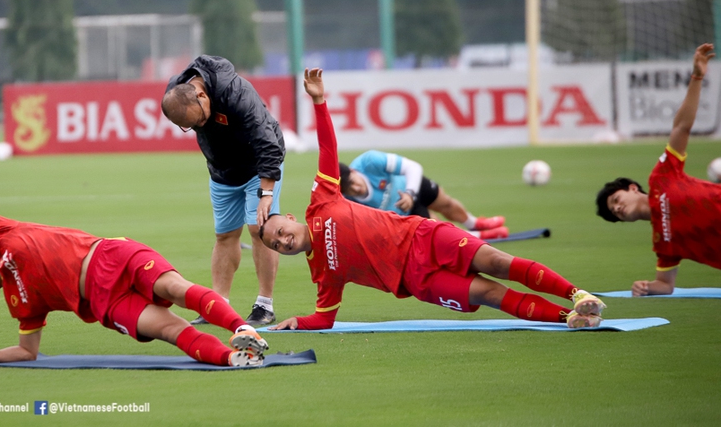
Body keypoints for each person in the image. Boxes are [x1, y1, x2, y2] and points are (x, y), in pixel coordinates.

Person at [259, 68, 607, 331]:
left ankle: (577, 294)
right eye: (276, 244)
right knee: (488, 295)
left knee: (497, 262)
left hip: (424, 236)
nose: (282, 240)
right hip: (417, 280)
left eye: (279, 230)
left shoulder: (320, 201)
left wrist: (319, 102)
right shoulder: (322, 272)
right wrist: (298, 323)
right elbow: (324, 318)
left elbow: (328, 149)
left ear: (289, 217)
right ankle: (570, 317)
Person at [0, 198, 269, 367]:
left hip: (111, 256)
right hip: (104, 303)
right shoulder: (19, 304)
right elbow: (28, 351)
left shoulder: (1, 235)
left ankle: (243, 330)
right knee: (169, 330)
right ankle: (236, 359)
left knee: (175, 289)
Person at [162, 55, 284, 326]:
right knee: (225, 236)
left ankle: (265, 305)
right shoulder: (177, 92)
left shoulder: (237, 94)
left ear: (203, 95)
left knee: (259, 230)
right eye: (192, 126)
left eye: (202, 118)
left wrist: (266, 193)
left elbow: (268, 142)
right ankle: (219, 306)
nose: (200, 126)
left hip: (258, 165)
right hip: (222, 172)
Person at [595, 43, 721, 296]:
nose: (618, 208)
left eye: (616, 200)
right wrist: (646, 287)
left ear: (633, 188)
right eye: (615, 213)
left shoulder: (662, 177)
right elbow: (665, 285)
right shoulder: (662, 245)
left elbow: (681, 128)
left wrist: (696, 77)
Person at [339, 152, 508, 239]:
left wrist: (410, 194)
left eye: (353, 181)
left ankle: (474, 223)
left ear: (353, 171)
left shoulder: (369, 161)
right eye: (350, 190)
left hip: (410, 185)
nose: (357, 189)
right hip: (403, 216)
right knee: (440, 229)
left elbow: (413, 167)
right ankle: (478, 236)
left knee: (446, 202)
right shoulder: (348, 203)